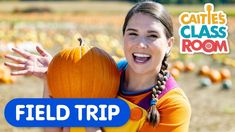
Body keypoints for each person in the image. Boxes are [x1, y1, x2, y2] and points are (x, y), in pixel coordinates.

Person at [4, 1, 191, 132]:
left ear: (169, 44)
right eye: (132, 33)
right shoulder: (103, 72)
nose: (140, 44)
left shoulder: (172, 105)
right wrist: (53, 80)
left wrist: (90, 121)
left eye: (152, 36)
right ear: (123, 37)